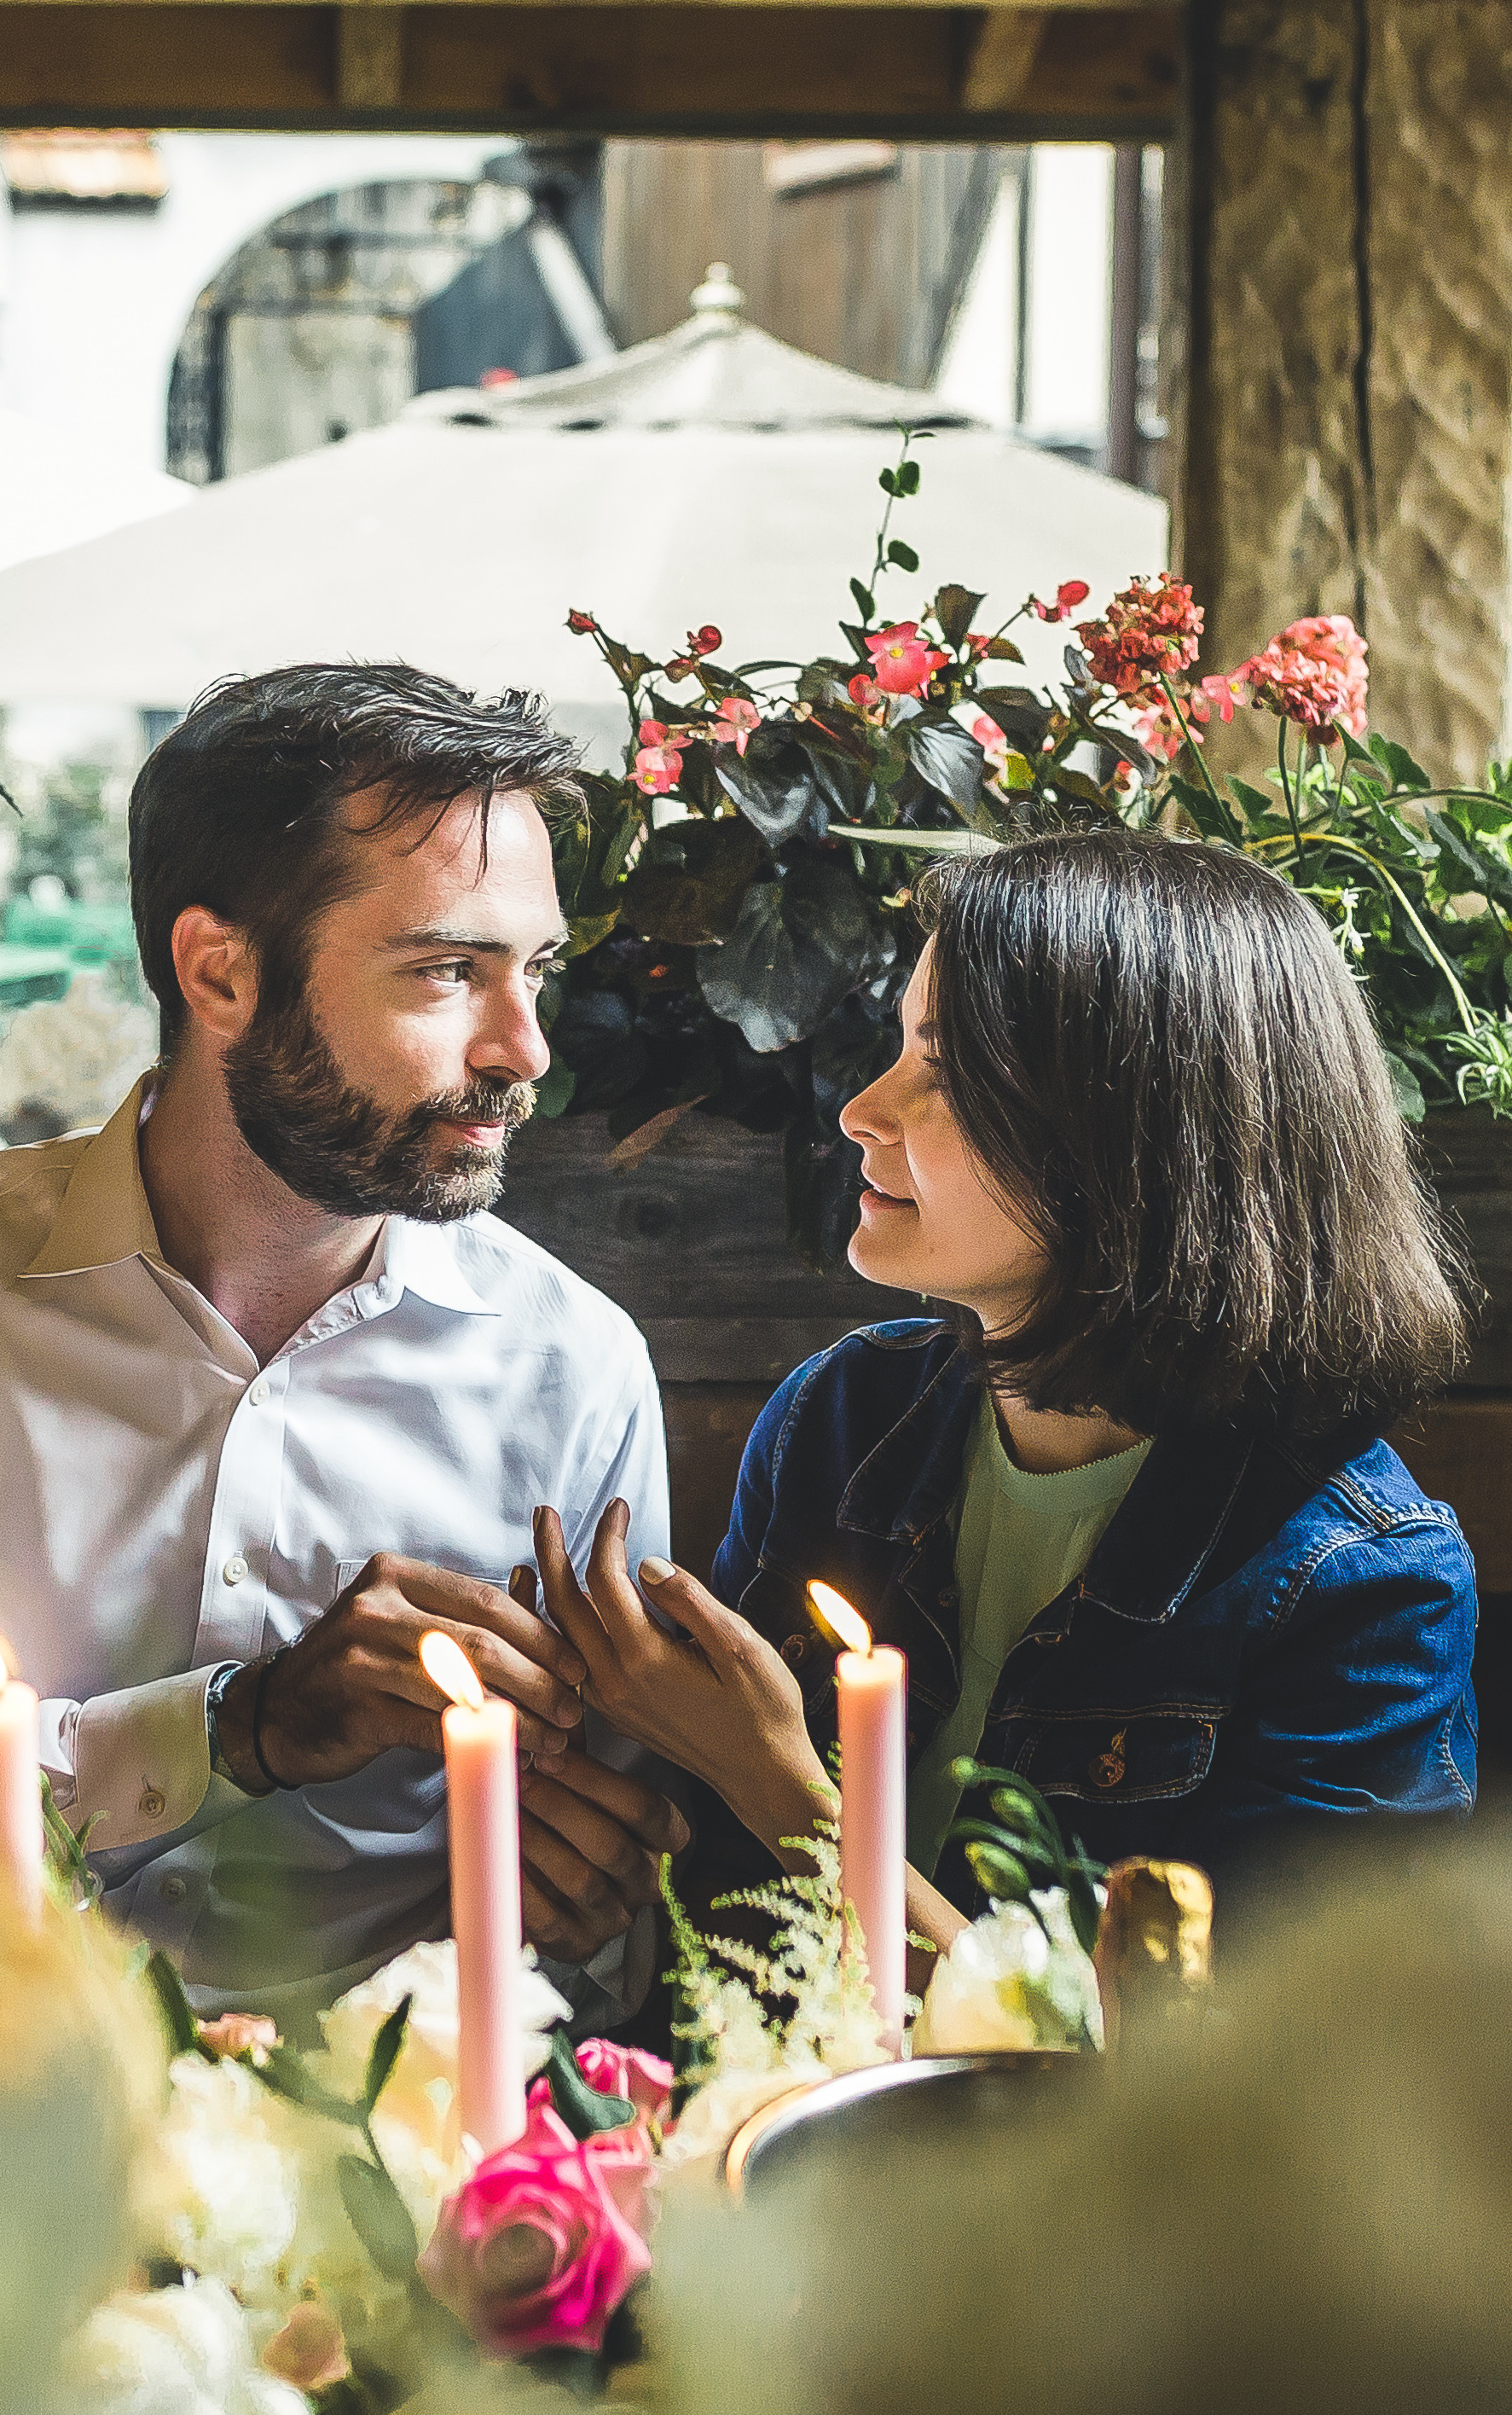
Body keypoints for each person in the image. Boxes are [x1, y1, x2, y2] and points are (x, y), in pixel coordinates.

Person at [0, 663, 687, 2026]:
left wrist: (596, 1906)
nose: (523, 1048)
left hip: (411, 2111)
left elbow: (601, 1903)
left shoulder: (574, 1367)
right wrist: (243, 1727)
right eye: (446, 971)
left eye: (533, 969)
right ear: (219, 971)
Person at [530, 832, 1477, 1954]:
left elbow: (1210, 2058)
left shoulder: (1363, 1584)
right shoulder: (842, 1418)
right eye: (897, 1047)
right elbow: (731, 1943)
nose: (860, 1110)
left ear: (1134, 1138)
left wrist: (777, 1786)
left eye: (944, 1071)